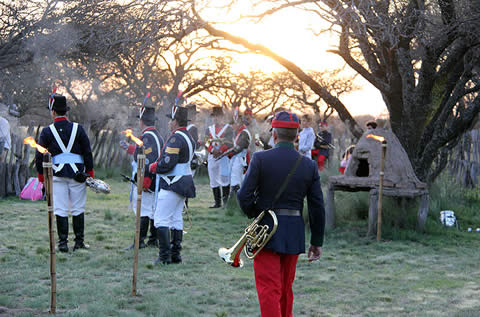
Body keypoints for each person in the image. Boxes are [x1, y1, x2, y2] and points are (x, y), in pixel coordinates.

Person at [237, 111, 325, 317]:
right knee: (285, 289)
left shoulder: (260, 158)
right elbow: (317, 206)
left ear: (274, 135)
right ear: (296, 137)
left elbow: (243, 196)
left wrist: (256, 215)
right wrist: (317, 241)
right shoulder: (309, 165)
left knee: (269, 289)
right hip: (293, 233)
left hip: (265, 231)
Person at [35, 94, 94, 253]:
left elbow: (39, 155)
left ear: (53, 112)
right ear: (65, 111)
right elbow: (87, 152)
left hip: (57, 176)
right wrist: (90, 173)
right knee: (78, 208)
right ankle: (79, 242)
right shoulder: (78, 129)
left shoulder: (47, 131)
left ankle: (62, 244)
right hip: (78, 175)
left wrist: (42, 177)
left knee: (60, 209)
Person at [149, 106, 196, 265]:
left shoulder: (176, 138)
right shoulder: (188, 136)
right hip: (183, 182)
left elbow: (168, 163)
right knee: (176, 219)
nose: (169, 123)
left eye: (171, 120)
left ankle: (164, 257)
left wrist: (154, 167)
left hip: (172, 183)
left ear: (175, 121)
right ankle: (175, 255)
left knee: (160, 219)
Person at [120, 106, 164, 249]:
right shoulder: (156, 135)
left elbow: (148, 159)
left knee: (144, 210)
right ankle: (152, 239)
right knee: (151, 209)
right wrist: (130, 149)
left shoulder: (148, 137)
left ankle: (140, 241)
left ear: (142, 121)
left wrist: (145, 180)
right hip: (153, 177)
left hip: (149, 178)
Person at [206, 106, 233, 208]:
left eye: (218, 116)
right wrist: (212, 150)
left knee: (224, 178)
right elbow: (206, 142)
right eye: (214, 116)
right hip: (212, 156)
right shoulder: (209, 129)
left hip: (224, 156)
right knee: (213, 178)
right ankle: (217, 203)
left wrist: (221, 150)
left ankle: (225, 203)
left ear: (222, 117)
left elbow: (230, 142)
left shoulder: (228, 128)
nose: (215, 118)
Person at [227, 113, 251, 202]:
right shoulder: (240, 132)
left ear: (238, 123)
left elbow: (240, 147)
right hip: (237, 159)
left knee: (237, 180)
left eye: (233, 124)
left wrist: (230, 153)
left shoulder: (244, 132)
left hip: (241, 160)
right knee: (235, 179)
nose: (232, 126)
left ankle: (235, 203)